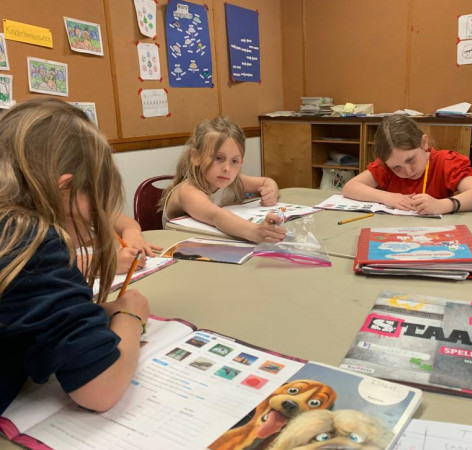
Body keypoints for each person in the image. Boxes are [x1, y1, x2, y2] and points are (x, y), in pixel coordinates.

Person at [0, 98, 149, 414]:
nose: (97, 218)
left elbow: (27, 314)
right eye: (96, 202)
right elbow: (100, 389)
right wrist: (131, 314)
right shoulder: (30, 241)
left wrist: (100, 312)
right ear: (65, 188)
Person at [161, 117, 286, 243]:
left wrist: (271, 192)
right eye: (218, 158)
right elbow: (215, 216)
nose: (227, 168)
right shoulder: (188, 191)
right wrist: (255, 231)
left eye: (234, 161)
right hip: (180, 248)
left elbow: (267, 181)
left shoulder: (233, 182)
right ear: (196, 157)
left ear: (241, 162)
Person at [342, 115, 472, 215]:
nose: (408, 171)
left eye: (410, 159)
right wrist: (388, 197)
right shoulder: (385, 167)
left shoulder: (446, 161)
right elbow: (350, 187)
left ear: (424, 143)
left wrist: (442, 205)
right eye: (396, 167)